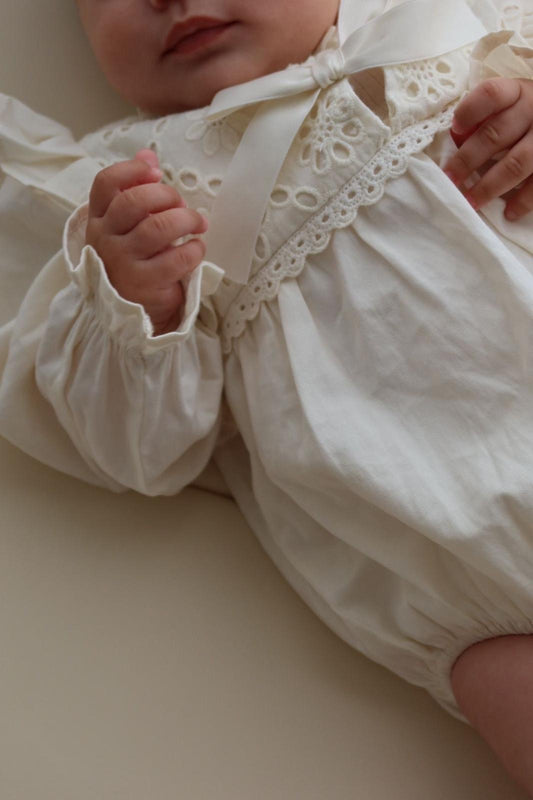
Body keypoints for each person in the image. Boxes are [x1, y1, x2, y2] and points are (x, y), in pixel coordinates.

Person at [2, 0, 533, 791]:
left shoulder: (459, 24)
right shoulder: (123, 189)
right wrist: (136, 298)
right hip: (455, 568)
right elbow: (138, 451)